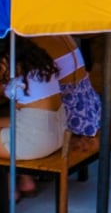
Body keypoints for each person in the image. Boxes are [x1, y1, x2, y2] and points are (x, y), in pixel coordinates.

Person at [1, 36, 101, 192]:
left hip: (38, 137)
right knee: (11, 120)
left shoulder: (9, 65)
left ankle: (11, 192)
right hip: (60, 131)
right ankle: (24, 181)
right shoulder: (41, 59)